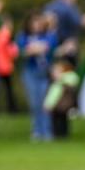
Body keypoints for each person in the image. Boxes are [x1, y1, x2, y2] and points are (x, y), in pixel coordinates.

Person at [16, 11, 58, 141]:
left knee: (45, 103)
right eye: (34, 21)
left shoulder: (50, 35)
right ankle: (36, 131)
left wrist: (33, 49)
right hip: (30, 72)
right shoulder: (22, 36)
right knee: (34, 103)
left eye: (39, 21)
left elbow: (46, 48)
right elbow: (22, 51)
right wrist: (35, 48)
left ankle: (46, 131)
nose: (37, 24)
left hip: (44, 72)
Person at [44, 59, 79, 138]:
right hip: (57, 107)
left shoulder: (62, 83)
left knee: (62, 121)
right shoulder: (56, 83)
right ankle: (58, 135)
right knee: (57, 121)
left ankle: (62, 135)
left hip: (62, 106)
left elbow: (54, 95)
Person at [0, 10, 19, 113]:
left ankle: (3, 108)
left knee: (2, 89)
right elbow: (10, 51)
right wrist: (15, 50)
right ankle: (12, 109)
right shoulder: (6, 34)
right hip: (4, 65)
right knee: (8, 90)